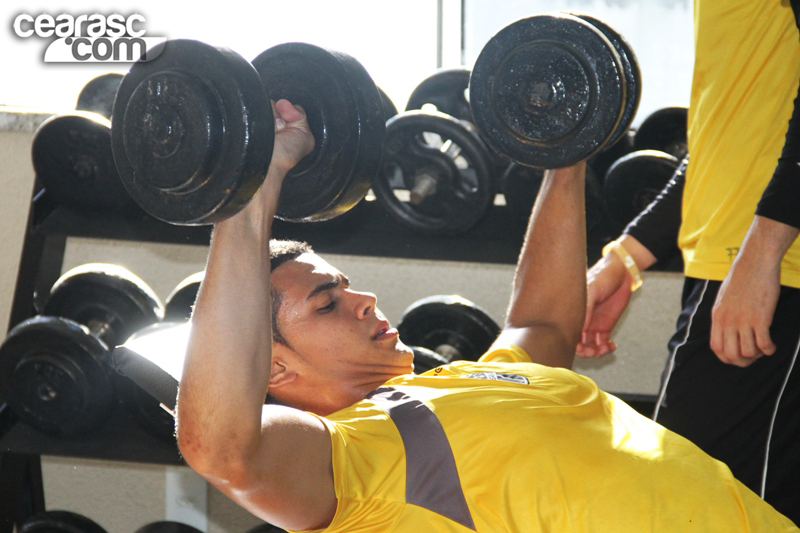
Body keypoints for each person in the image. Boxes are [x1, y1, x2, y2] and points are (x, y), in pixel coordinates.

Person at [173, 98, 797, 532]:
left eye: (348, 286)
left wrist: (565, 154)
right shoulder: (351, 465)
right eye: (328, 303)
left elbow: (544, 326)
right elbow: (222, 450)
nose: (364, 300)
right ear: (273, 367)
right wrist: (252, 193)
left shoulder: (460, 382)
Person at [577, 0, 800, 523]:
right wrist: (628, 256)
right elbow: (726, 130)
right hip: (739, 263)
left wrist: (763, 249)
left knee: (702, 510)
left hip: (768, 267)